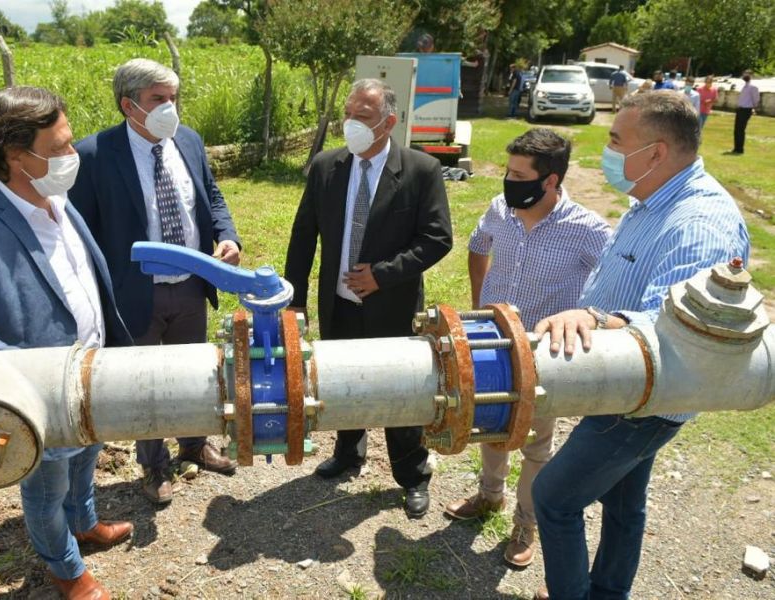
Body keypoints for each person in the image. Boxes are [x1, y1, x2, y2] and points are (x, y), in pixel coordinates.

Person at [529, 91, 749, 600]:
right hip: (623, 387)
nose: (603, 151)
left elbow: (678, 331)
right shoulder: (656, 196)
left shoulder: (698, 224)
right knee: (624, 501)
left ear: (654, 153)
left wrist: (595, 316)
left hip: (645, 398)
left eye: (613, 140)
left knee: (555, 496)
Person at [0, 86, 135, 600]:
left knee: (88, 456)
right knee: (45, 493)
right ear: (15, 155)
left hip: (92, 373)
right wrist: (27, 374)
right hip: (41, 397)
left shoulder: (54, 197)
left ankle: (85, 525)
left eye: (70, 142)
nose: (72, 156)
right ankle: (67, 571)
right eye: (59, 148)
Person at [69, 58, 241, 505]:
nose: (170, 107)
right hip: (133, 294)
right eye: (158, 100)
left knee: (194, 373)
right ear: (130, 106)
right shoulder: (95, 156)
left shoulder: (188, 139)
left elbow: (212, 196)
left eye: (173, 98)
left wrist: (226, 235)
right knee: (143, 382)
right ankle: (153, 465)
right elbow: (81, 231)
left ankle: (195, 444)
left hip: (190, 283)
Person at [284, 79, 452, 519]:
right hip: (338, 304)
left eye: (362, 116)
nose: (350, 124)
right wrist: (294, 299)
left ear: (388, 122)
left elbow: (437, 239)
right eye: (348, 113)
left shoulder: (420, 170)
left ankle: (412, 474)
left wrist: (382, 275)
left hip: (392, 305)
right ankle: (347, 451)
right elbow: (304, 236)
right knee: (342, 383)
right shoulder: (326, 167)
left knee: (403, 391)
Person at [444, 128, 611, 568]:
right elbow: (478, 247)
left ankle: (526, 522)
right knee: (492, 423)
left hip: (544, 355)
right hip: (495, 343)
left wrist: (589, 315)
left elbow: (615, 284)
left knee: (536, 442)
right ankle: (489, 495)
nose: (508, 180)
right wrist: (481, 306)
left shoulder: (588, 229)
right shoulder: (501, 209)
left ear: (550, 181)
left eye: (519, 173)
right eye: (508, 170)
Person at [731, 70, 760, 154]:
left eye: (746, 74)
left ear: (751, 75)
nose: (744, 75)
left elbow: (756, 99)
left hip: (746, 110)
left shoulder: (753, 87)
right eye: (744, 74)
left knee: (741, 129)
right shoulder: (744, 86)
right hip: (740, 109)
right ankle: (736, 147)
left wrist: (753, 108)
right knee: (737, 129)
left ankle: (740, 149)